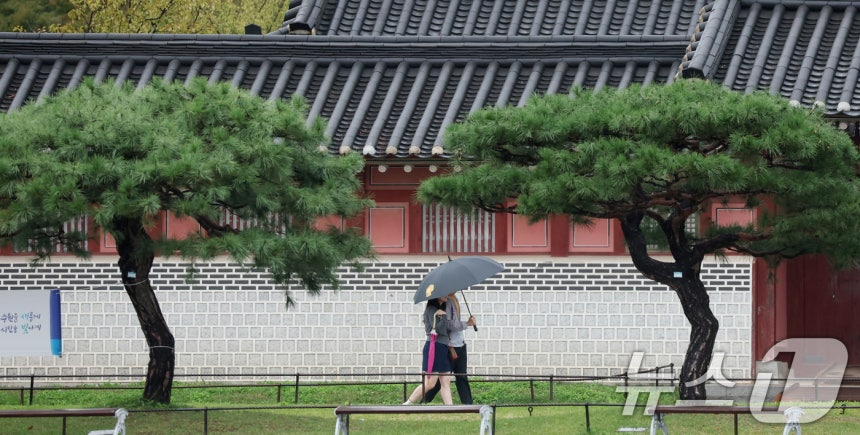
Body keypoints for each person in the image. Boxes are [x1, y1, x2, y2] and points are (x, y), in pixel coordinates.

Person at [422, 291, 476, 404]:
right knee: (440, 380)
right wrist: (468, 323)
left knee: (460, 377)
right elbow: (450, 324)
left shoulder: (452, 299)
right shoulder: (447, 301)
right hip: (451, 346)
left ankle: (467, 405)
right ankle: (423, 401)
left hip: (459, 343)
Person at [403, 295, 454, 405]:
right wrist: (444, 317)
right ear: (437, 296)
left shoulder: (443, 310)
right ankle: (408, 403)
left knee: (446, 381)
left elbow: (447, 328)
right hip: (434, 348)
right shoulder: (431, 309)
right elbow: (439, 330)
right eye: (444, 294)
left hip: (442, 348)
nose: (447, 296)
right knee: (430, 383)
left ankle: (450, 408)